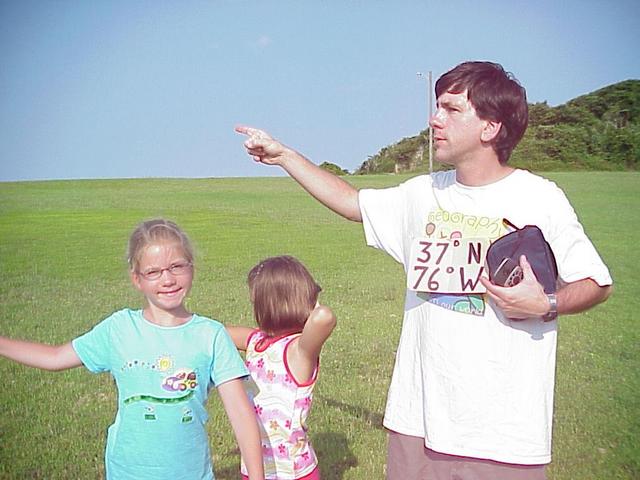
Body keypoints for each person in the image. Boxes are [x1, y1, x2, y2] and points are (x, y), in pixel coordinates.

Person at [234, 61, 613, 479]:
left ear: (490, 127)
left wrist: (547, 303)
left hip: (505, 434)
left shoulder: (540, 198)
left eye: (451, 110)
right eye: (437, 107)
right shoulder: (422, 195)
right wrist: (285, 155)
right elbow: (350, 202)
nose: (434, 119)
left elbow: (596, 283)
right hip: (416, 425)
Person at [0, 218, 264, 480]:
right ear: (137, 279)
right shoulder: (118, 329)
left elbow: (241, 415)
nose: (168, 279)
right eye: (153, 272)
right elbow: (55, 357)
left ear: (191, 268)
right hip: (126, 471)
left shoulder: (211, 335)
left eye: (176, 266)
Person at [227, 255, 337, 480]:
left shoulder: (299, 351)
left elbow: (324, 318)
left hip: (293, 471)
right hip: (255, 466)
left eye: (256, 301)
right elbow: (217, 333)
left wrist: (310, 296)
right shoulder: (255, 341)